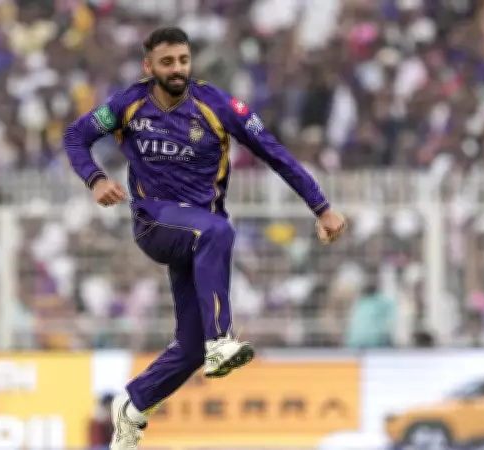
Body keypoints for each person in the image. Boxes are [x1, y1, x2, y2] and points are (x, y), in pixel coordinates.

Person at [64, 27, 346, 450]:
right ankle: (221, 341)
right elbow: (75, 135)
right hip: (155, 224)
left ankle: (133, 404)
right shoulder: (128, 104)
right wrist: (95, 179)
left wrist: (321, 207)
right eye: (167, 62)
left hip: (198, 239)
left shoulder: (217, 105)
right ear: (148, 66)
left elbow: (275, 153)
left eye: (183, 60)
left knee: (190, 346)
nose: (177, 69)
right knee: (218, 230)